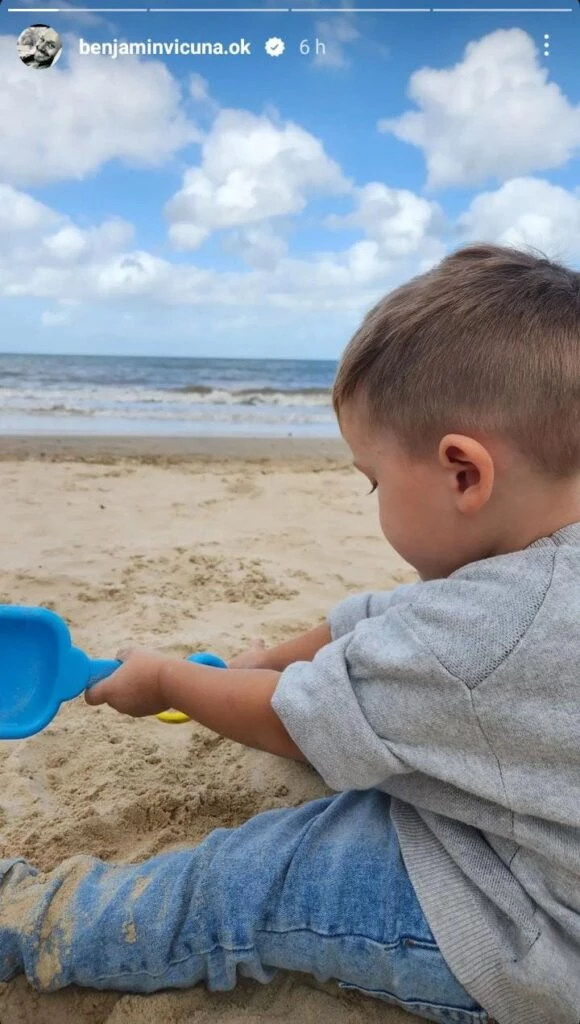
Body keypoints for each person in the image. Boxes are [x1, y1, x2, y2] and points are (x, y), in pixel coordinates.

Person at [2, 241, 580, 1024]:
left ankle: (33, 916)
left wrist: (171, 681)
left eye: (373, 479)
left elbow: (295, 719)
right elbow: (398, 619)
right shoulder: (543, 567)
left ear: (463, 474)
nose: (370, 496)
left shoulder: (494, 632)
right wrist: (264, 658)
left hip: (533, 933)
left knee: (259, 876)